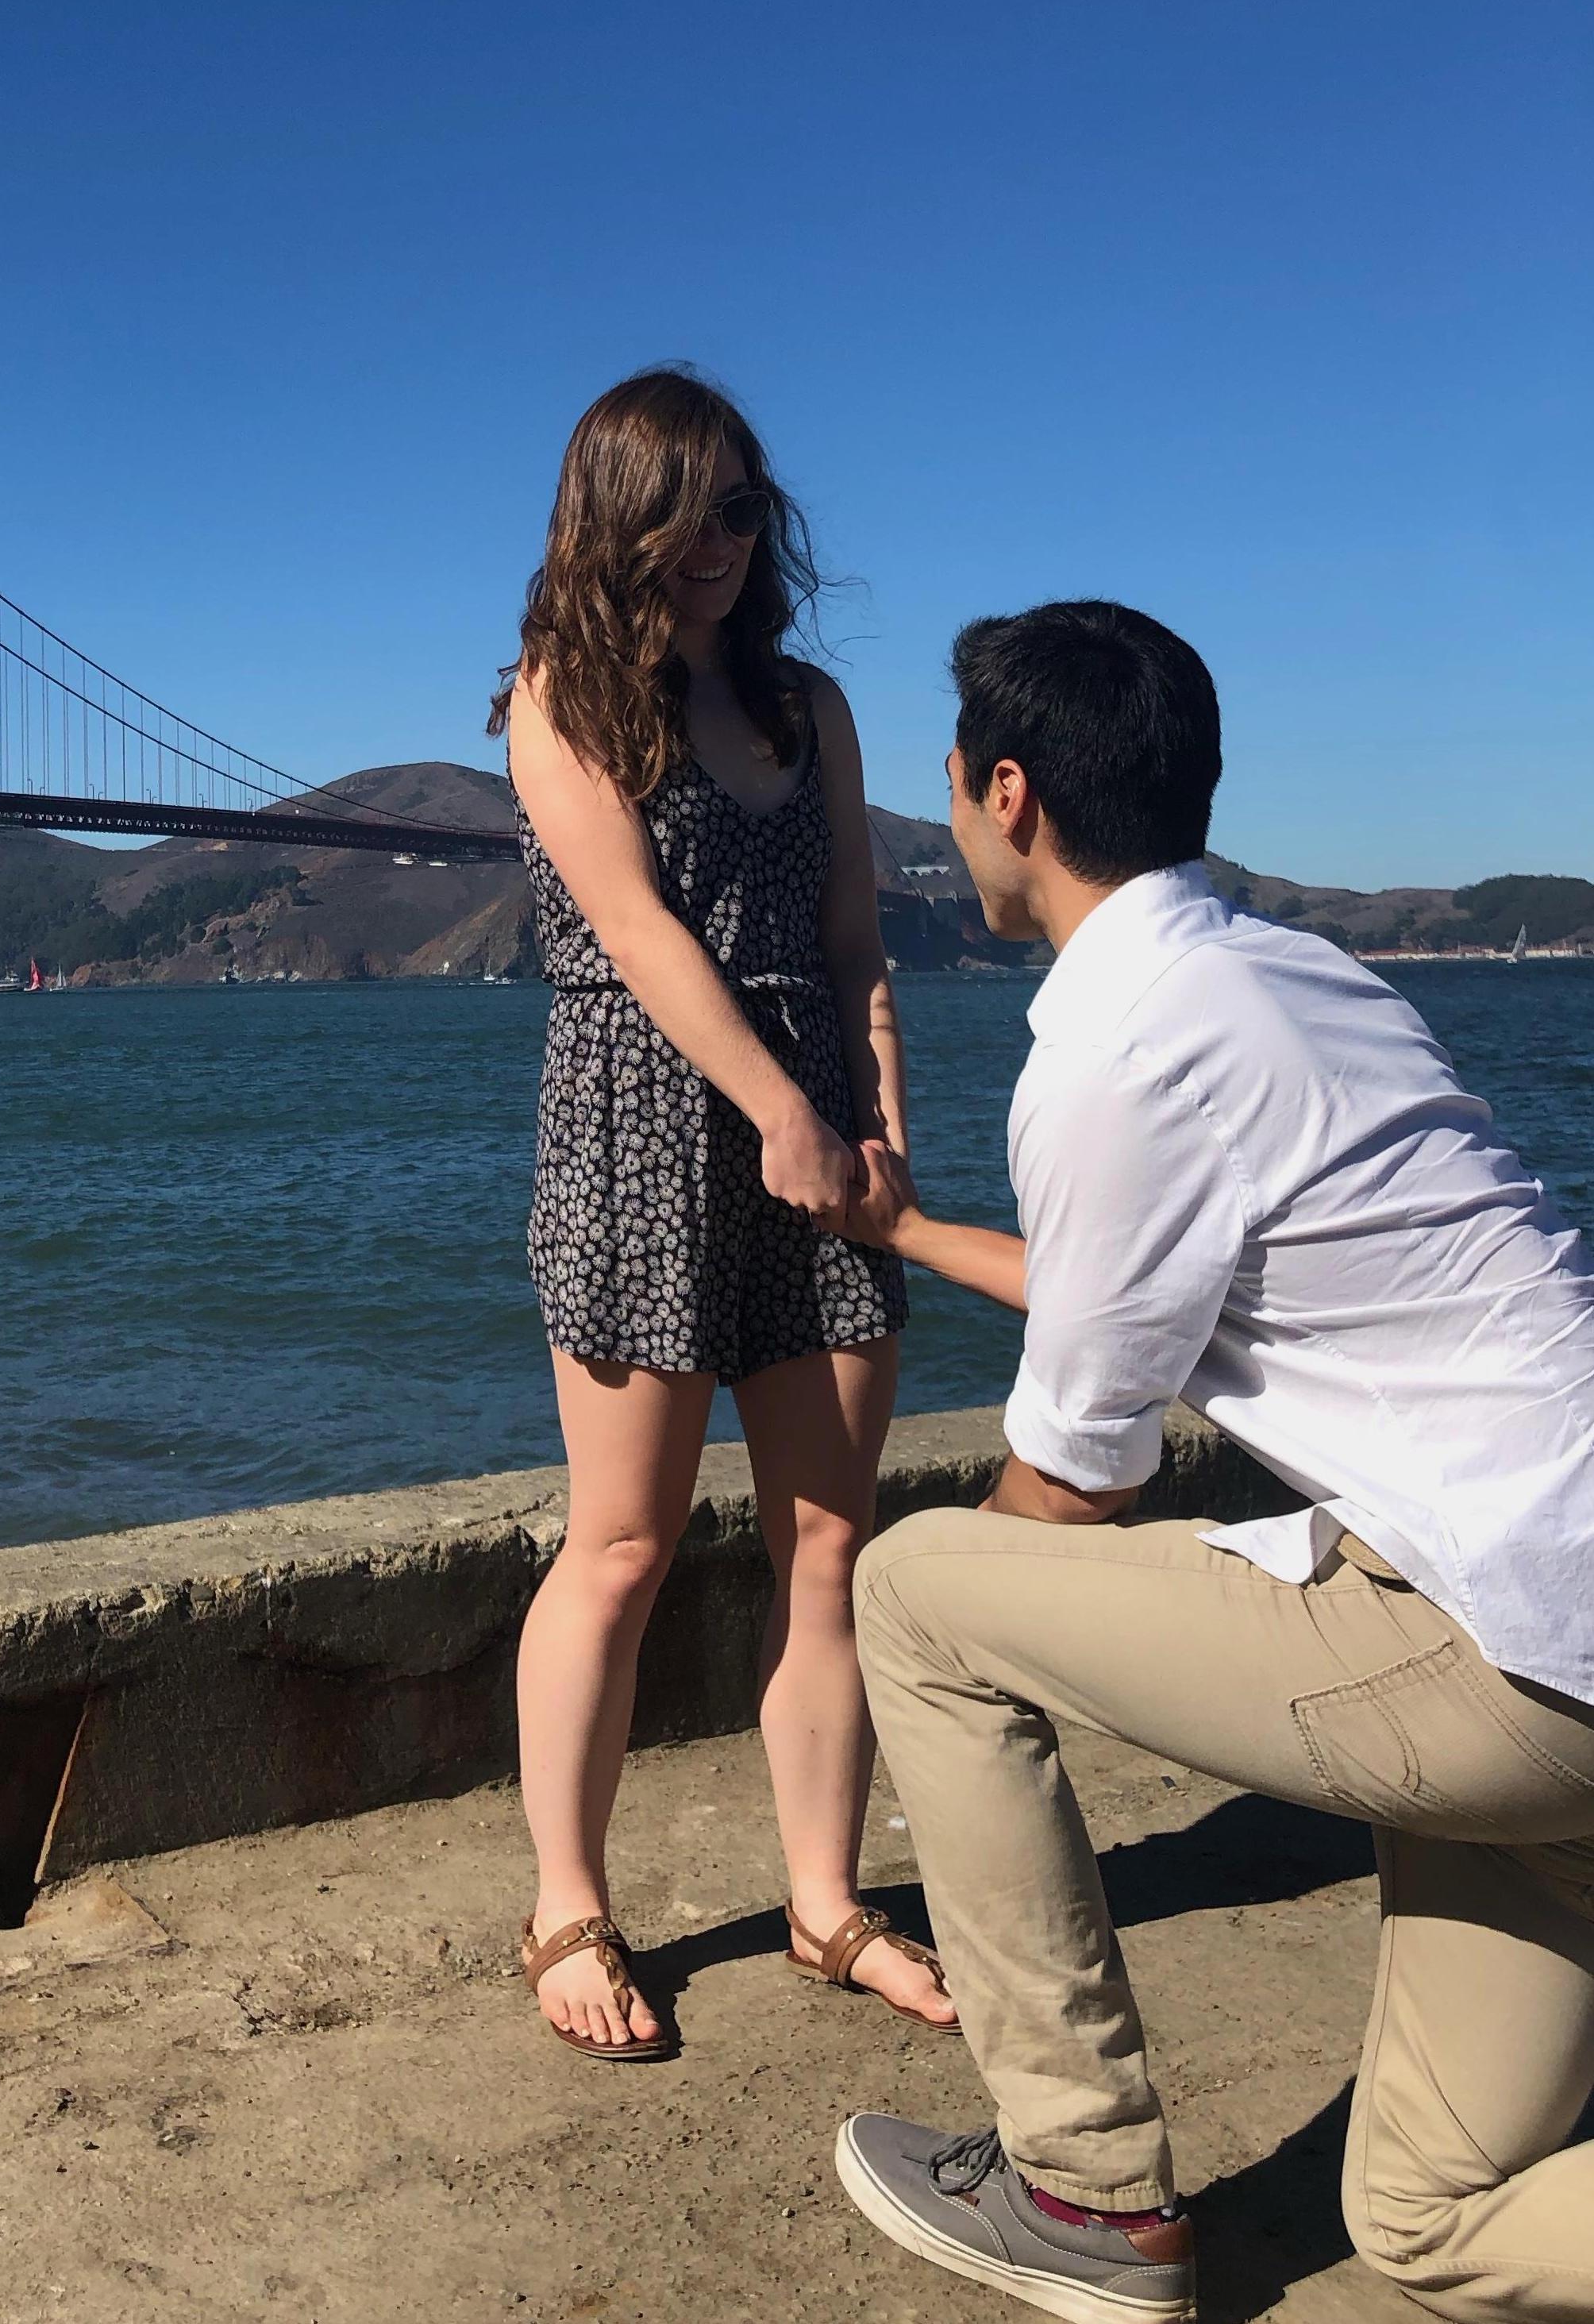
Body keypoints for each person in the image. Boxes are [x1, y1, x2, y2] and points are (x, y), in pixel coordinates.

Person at [826, 599, 1594, 2322]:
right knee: (1428, 2223)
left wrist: (975, 1648)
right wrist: (917, 1229)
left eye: (955, 783)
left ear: (1001, 791)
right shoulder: (1292, 976)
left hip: (1513, 1648)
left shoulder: (1108, 1042)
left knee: (920, 1595)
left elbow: (1073, 1481)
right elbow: (1146, 1286)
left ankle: (1083, 2198)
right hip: (1562, 1623)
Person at [495, 367, 957, 2060]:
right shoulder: (559, 696)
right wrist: (779, 1111)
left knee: (829, 1541)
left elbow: (850, 943)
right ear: (609, 518)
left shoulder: (809, 708)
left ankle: (826, 1907)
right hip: (645, 1128)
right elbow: (637, 935)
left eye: (742, 509)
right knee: (618, 1546)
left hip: (818, 1139)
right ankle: (565, 1900)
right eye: (681, 510)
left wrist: (880, 1120)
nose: (715, 543)